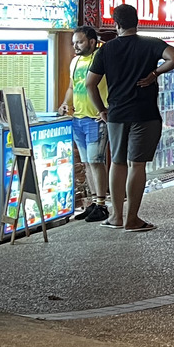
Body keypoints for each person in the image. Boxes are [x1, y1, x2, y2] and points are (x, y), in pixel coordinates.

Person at [85, 3, 174, 232]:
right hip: (145, 113)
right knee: (136, 164)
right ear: (137, 22)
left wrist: (101, 109)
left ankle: (117, 217)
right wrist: (155, 73)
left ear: (116, 24)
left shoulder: (106, 50)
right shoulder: (150, 44)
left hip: (117, 114)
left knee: (117, 163)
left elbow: (90, 84)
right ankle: (133, 219)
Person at [58, 26, 109, 221]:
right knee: (87, 162)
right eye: (74, 43)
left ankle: (102, 204)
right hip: (78, 118)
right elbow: (72, 86)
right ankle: (94, 202)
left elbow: (115, 84)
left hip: (96, 118)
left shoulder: (102, 59)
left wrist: (107, 108)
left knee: (96, 162)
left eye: (79, 42)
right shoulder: (75, 61)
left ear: (92, 42)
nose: (75, 46)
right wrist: (65, 103)